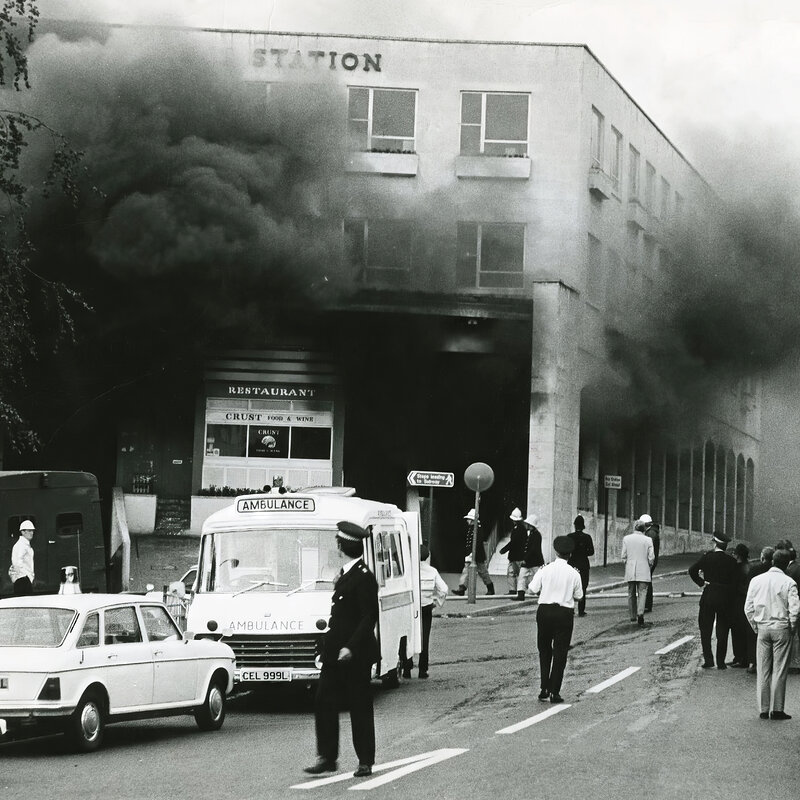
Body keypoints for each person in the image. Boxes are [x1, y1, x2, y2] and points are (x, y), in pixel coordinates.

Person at [304, 521, 379, 779]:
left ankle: (365, 760)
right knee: (323, 700)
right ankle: (327, 757)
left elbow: (368, 617)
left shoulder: (364, 577)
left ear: (342, 547)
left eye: (337, 543)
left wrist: (350, 647)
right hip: (334, 652)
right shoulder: (346, 574)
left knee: (359, 706)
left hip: (355, 654)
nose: (336, 548)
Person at [744, 548, 800, 720]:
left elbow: (748, 608)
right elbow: (795, 609)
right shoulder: (789, 582)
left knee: (763, 669)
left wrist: (756, 626)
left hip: (763, 628)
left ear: (773, 562)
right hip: (781, 628)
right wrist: (792, 627)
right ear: (786, 564)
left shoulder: (756, 580)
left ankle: (763, 708)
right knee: (779, 670)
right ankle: (777, 709)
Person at [527, 535, 583, 703]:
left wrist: (545, 591)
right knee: (560, 652)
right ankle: (554, 691)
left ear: (556, 552)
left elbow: (532, 589)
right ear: (570, 554)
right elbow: (579, 596)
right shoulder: (574, 573)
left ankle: (544, 687)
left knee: (544, 650)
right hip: (564, 613)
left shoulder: (545, 569)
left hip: (544, 611)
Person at [688, 531, 738, 669]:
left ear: (715, 543)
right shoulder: (731, 561)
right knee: (723, 630)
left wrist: (701, 582)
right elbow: (735, 582)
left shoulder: (707, 557)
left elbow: (692, 570)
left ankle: (708, 660)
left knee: (705, 629)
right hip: (725, 598)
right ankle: (721, 662)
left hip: (709, 595)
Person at [404, 544, 447, 679]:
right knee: (424, 637)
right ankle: (423, 670)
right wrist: (437, 602)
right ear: (427, 556)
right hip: (426, 607)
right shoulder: (432, 571)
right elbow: (444, 589)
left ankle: (407, 668)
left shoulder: (409, 570)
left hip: (410, 607)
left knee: (408, 637)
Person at [621, 516, 655, 627]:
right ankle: (640, 614)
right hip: (643, 569)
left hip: (631, 569)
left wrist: (627, 563)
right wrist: (649, 565)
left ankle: (632, 615)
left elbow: (623, 556)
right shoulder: (648, 540)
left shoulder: (626, 539)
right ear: (644, 529)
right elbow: (651, 557)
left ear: (634, 528)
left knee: (631, 593)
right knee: (642, 593)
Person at [452, 508, 495, 596]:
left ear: (472, 520)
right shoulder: (471, 528)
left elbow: (478, 542)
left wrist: (472, 553)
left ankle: (490, 587)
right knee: (466, 571)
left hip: (478, 555)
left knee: (483, 572)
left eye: (469, 519)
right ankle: (462, 588)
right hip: (471, 554)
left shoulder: (478, 529)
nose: (467, 520)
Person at [729, 543, 753, 668]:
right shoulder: (749, 567)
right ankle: (744, 657)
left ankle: (739, 658)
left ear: (738, 555)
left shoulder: (737, 568)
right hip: (747, 601)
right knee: (745, 631)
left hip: (737, 602)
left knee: (737, 631)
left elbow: (733, 586)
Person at [567, 515, 594, 617]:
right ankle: (581, 610)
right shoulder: (587, 537)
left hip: (572, 563)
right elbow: (591, 552)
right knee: (583, 586)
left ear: (574, 525)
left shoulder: (570, 537)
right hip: (583, 564)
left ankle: (570, 608)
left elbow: (567, 550)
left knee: (570, 587)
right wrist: (583, 552)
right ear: (583, 526)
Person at [515, 513, 545, 600]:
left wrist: (525, 559)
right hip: (530, 560)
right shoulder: (532, 534)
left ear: (531, 525)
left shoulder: (536, 535)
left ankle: (543, 593)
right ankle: (520, 594)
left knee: (538, 578)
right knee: (522, 576)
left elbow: (533, 549)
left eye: (527, 524)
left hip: (535, 561)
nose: (526, 525)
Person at [499, 507, 527, 596]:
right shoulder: (521, 529)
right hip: (518, 555)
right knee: (515, 573)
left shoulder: (518, 529)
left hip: (515, 555)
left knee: (514, 573)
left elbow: (513, 542)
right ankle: (516, 590)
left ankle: (515, 590)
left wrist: (504, 549)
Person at [9, 519, 35, 596]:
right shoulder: (22, 545)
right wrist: (24, 576)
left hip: (23, 579)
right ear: (23, 532)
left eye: (32, 531)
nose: (32, 533)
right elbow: (18, 562)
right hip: (23, 580)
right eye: (29, 531)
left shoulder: (23, 544)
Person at [644, 520, 661, 613]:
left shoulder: (650, 533)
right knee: (647, 580)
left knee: (646, 581)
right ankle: (647, 604)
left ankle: (647, 604)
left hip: (649, 560)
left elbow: (648, 547)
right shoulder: (653, 532)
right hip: (652, 560)